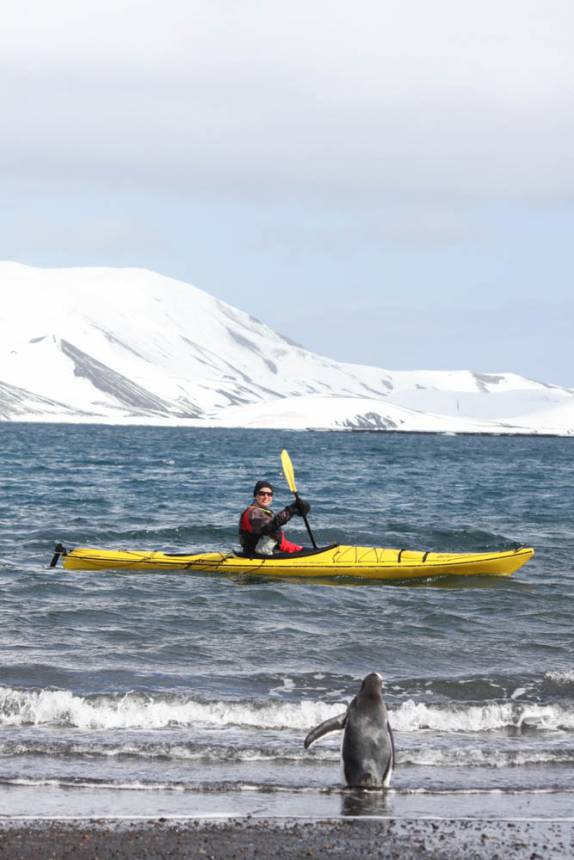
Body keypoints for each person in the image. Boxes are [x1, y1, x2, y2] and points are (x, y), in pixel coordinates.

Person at [239, 480, 311, 555]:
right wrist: (291, 510)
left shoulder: (265, 512)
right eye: (262, 494)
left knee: (305, 551)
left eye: (269, 494)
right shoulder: (253, 512)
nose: (266, 497)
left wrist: (299, 549)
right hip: (256, 554)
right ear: (255, 496)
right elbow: (269, 526)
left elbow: (277, 537)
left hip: (270, 550)